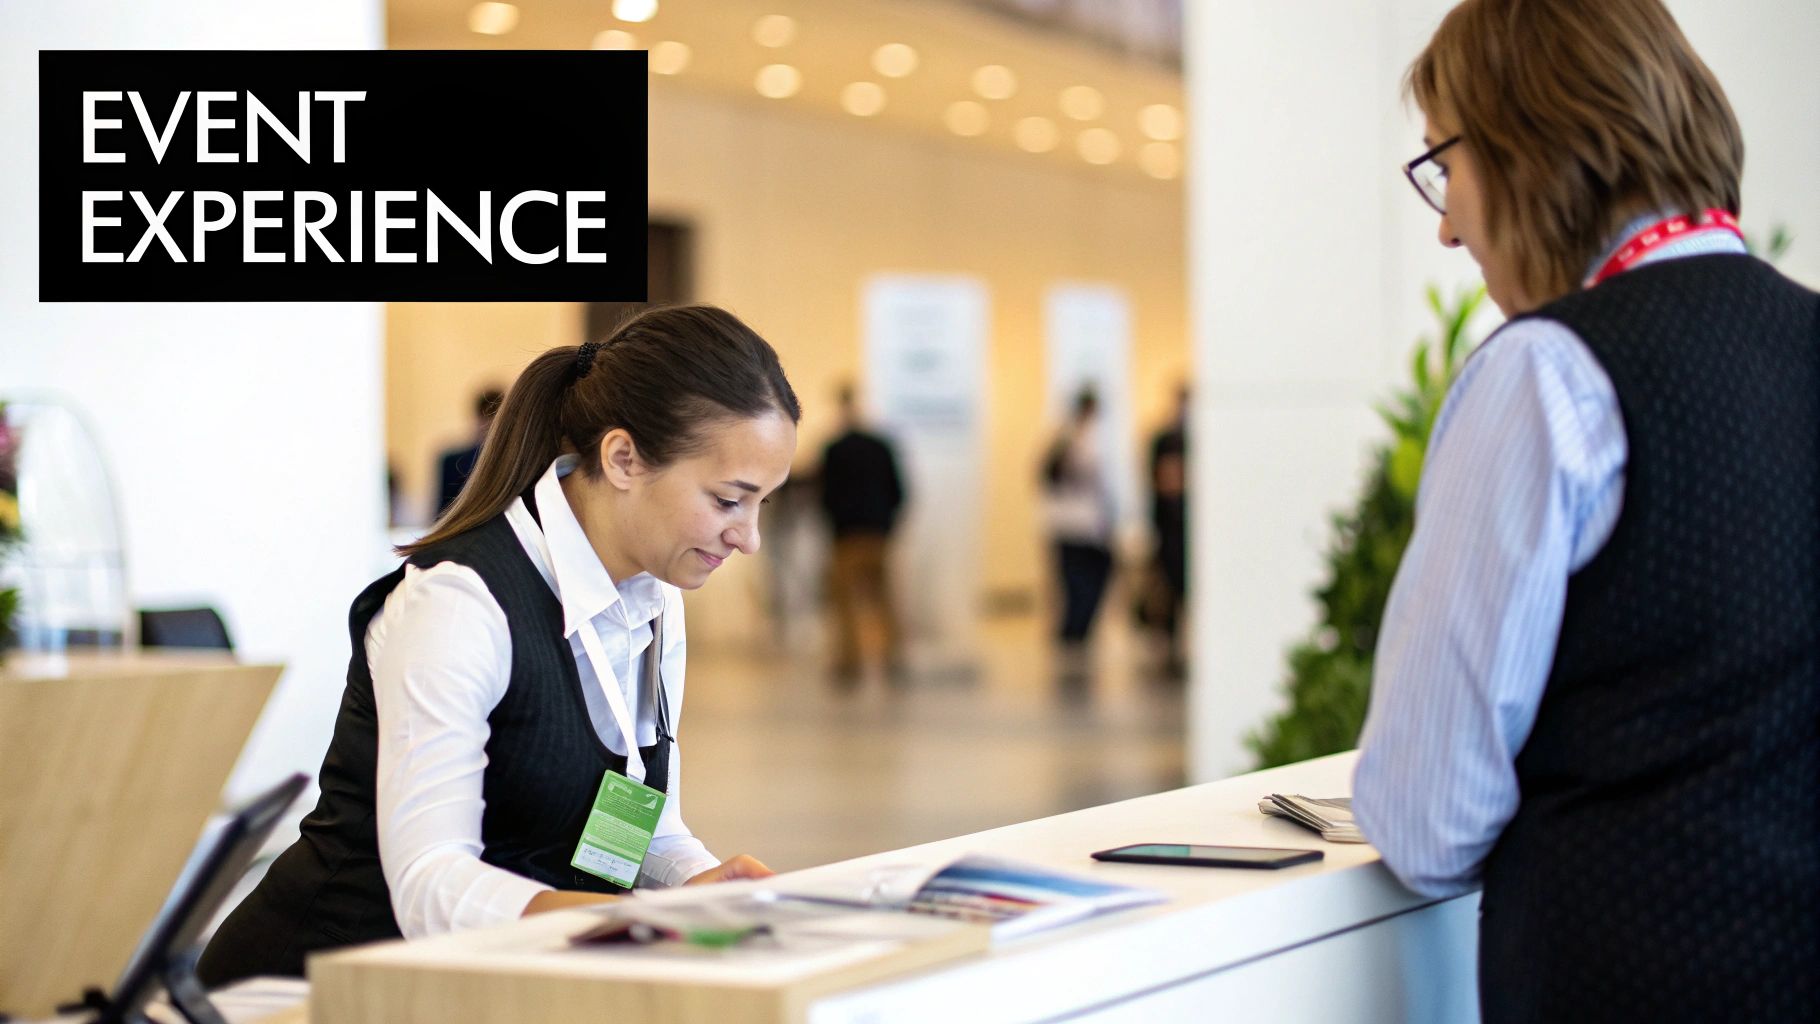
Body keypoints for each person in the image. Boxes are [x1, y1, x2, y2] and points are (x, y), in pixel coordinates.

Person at [1351, 2, 1819, 1021]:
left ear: (1524, 143)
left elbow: (1427, 818)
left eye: (1444, 164)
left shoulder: (1545, 374)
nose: (1444, 226)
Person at [199, 306, 800, 984]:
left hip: (473, 988)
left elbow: (634, 816)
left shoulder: (654, 599)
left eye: (763, 506)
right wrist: (613, 926)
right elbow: (431, 882)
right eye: (728, 501)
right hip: (307, 991)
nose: (747, 538)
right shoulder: (459, 603)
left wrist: (702, 887)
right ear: (624, 457)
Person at [817, 384, 906, 680]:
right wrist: (887, 524)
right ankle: (892, 658)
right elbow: (898, 491)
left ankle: (850, 661)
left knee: (845, 602)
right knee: (883, 598)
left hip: (846, 534)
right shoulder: (881, 446)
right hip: (878, 533)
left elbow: (825, 494)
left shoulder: (834, 449)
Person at [1041, 388, 1114, 647]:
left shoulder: (1081, 439)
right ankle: (1073, 634)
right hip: (1074, 527)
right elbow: (1048, 476)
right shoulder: (1069, 440)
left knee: (1084, 583)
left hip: (1081, 526)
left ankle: (1077, 633)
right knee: (1077, 586)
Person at [1145, 386, 1189, 678]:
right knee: (1169, 589)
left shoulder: (1192, 440)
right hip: (1169, 528)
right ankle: (1169, 646)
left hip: (1185, 528)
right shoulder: (1166, 439)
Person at [435, 387, 504, 518]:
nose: (488, 427)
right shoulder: (452, 461)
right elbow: (442, 509)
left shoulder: (508, 460)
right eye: (486, 419)